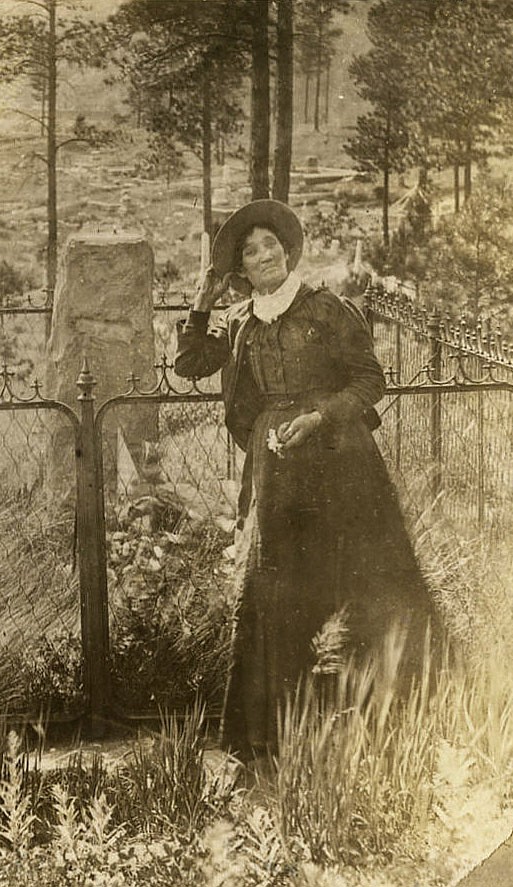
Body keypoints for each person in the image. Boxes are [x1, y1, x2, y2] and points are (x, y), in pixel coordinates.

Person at [174, 199, 438, 761]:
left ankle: (387, 719)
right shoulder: (242, 323)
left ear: (287, 250)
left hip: (343, 463)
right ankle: (275, 735)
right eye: (251, 250)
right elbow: (190, 363)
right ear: (239, 270)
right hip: (277, 470)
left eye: (271, 244)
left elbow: (371, 381)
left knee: (363, 582)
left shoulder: (328, 309)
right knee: (274, 592)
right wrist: (200, 304)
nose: (264, 254)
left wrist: (320, 416)